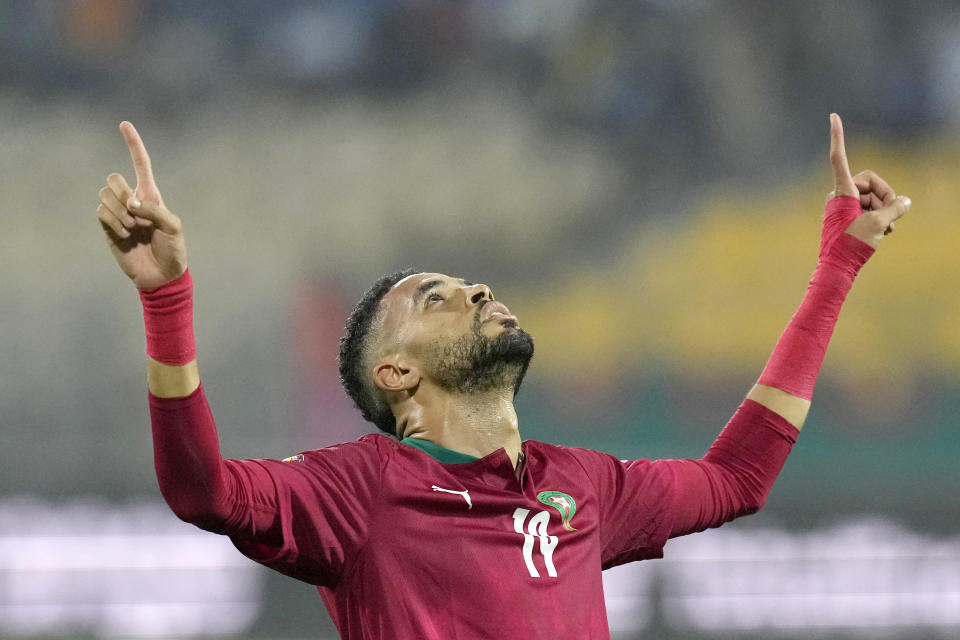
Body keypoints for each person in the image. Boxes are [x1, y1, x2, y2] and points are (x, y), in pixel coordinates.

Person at [96, 115, 910, 639]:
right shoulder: (359, 490)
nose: (479, 289)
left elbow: (736, 477)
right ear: (397, 372)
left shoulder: (583, 486)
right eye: (436, 297)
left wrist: (839, 264)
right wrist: (167, 298)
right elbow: (202, 491)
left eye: (469, 284)